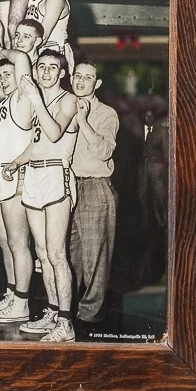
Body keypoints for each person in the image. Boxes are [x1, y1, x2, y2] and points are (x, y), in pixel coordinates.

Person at [8, 50, 79, 342]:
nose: (47, 72)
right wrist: (15, 162)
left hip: (56, 177)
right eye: (43, 67)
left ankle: (66, 324)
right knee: (41, 253)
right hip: (35, 175)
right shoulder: (42, 102)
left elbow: (53, 134)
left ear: (62, 73)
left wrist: (35, 97)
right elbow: (37, 145)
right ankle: (52, 312)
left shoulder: (68, 100)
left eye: (53, 68)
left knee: (57, 253)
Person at [0, 50, 38, 324]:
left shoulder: (21, 98)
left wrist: (0, 50)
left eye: (9, 74)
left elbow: (24, 62)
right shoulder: (3, 103)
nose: (4, 79)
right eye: (1, 75)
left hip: (13, 175)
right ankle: (12, 294)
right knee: (5, 243)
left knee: (18, 243)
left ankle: (22, 303)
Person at [65, 59, 119, 323]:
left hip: (95, 186)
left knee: (94, 256)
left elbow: (105, 151)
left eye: (87, 77)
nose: (80, 81)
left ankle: (89, 316)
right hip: (66, 185)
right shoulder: (64, 105)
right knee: (68, 252)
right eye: (77, 75)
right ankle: (66, 312)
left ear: (96, 84)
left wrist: (83, 120)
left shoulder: (106, 114)